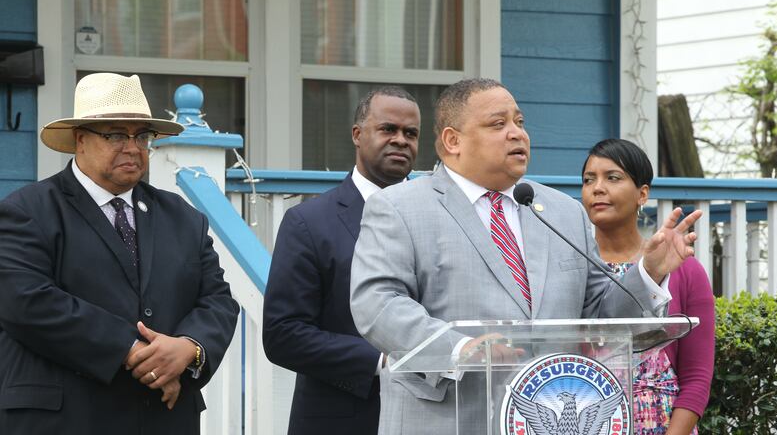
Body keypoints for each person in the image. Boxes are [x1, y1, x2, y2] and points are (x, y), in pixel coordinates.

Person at [349, 78, 703, 435]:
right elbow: (378, 303)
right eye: (498, 124)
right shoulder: (399, 207)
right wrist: (459, 348)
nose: (517, 134)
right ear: (453, 141)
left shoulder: (562, 212)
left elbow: (599, 314)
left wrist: (648, 273)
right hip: (447, 419)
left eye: (520, 122)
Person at [0, 73, 240, 434]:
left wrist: (189, 349)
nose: (132, 147)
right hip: (66, 420)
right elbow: (26, 301)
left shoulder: (183, 217)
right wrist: (131, 350)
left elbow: (218, 300)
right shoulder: (28, 210)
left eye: (141, 135)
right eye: (114, 134)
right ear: (80, 140)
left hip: (164, 417)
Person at [262, 86, 421, 434]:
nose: (400, 140)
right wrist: (381, 361)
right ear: (357, 134)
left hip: (432, 416)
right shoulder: (308, 222)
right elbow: (283, 335)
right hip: (343, 418)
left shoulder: (438, 216)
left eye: (410, 133)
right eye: (388, 129)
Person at [581, 138, 714, 435]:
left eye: (612, 177)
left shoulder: (686, 270)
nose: (597, 188)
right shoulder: (573, 268)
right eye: (589, 180)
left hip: (664, 425)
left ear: (642, 193)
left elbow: (697, 376)